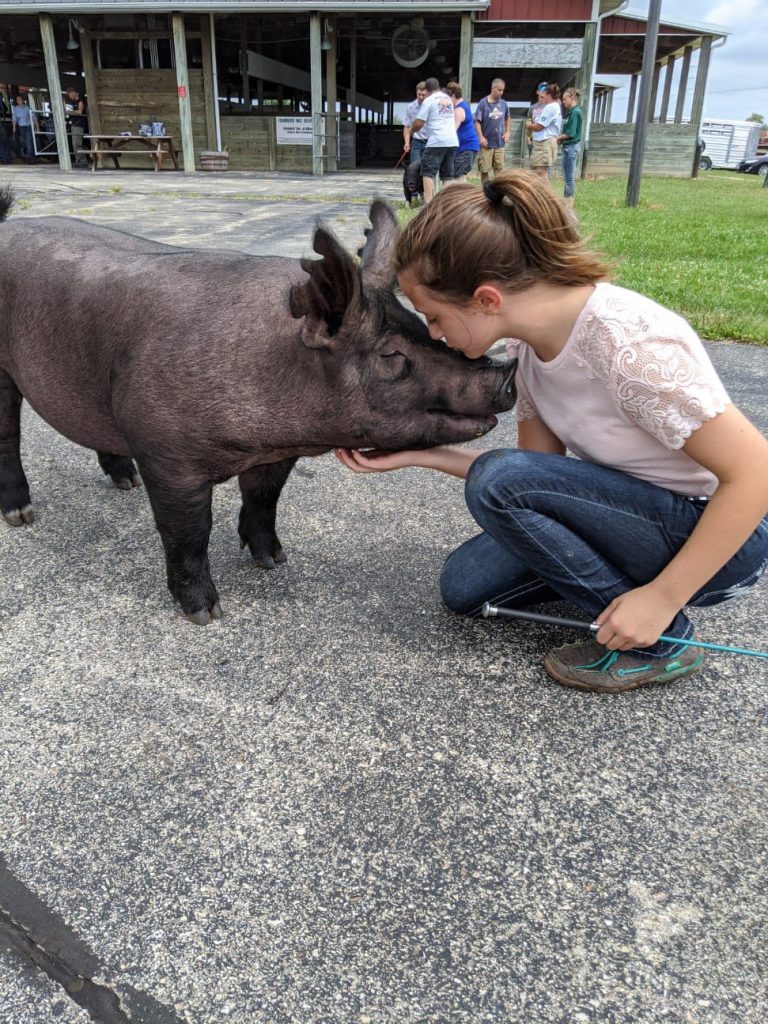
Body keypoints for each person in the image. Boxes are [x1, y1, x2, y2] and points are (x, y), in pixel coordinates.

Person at [334, 171, 768, 694]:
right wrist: (416, 455)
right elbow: (533, 483)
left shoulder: (628, 346)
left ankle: (663, 641)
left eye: (433, 316)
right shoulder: (530, 351)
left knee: (499, 483)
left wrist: (662, 600)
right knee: (465, 588)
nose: (434, 333)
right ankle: (620, 586)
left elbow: (756, 473)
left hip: (717, 535)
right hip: (631, 521)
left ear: (486, 299)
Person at [410, 78, 458, 204]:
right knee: (447, 175)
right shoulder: (448, 99)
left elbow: (419, 123)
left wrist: (411, 130)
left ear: (427, 90)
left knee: (427, 172)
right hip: (452, 140)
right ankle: (446, 204)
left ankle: (429, 205)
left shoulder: (429, 100)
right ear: (438, 87)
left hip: (437, 140)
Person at [474, 79, 510, 185]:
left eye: (502, 90)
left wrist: (508, 132)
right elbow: (477, 122)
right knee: (484, 170)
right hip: (486, 143)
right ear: (492, 88)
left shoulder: (503, 104)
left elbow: (508, 117)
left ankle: (498, 191)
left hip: (500, 142)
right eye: (499, 90)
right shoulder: (483, 103)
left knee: (499, 169)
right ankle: (485, 192)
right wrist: (481, 137)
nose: (501, 92)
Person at [444, 81, 479, 183]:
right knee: (458, 175)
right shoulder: (463, 106)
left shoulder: (459, 110)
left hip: (466, 148)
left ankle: (466, 198)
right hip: (465, 148)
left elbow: (452, 131)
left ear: (453, 95)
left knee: (460, 177)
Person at [527, 83, 562, 182]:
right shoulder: (555, 106)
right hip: (544, 142)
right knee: (538, 172)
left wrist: (529, 126)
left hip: (544, 143)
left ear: (549, 95)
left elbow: (538, 126)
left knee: (541, 173)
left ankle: (547, 197)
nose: (543, 98)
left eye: (544, 95)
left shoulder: (550, 107)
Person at [557, 86, 582, 207]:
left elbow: (571, 133)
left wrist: (558, 138)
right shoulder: (570, 113)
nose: (563, 101)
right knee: (566, 175)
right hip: (567, 146)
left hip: (571, 147)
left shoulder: (575, 112)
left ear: (572, 98)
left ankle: (569, 200)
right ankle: (566, 197)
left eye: (565, 99)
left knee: (569, 176)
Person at [403, 81, 428, 168]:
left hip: (431, 141)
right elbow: (407, 126)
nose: (421, 97)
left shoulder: (433, 106)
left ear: (428, 93)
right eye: (419, 94)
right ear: (416, 92)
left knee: (428, 169)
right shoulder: (410, 107)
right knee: (414, 168)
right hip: (417, 141)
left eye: (423, 95)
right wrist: (407, 142)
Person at [65, 86, 89, 168]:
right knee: (75, 143)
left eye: (71, 95)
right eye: (69, 95)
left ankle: (82, 160)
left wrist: (69, 112)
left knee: (77, 143)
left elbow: (79, 112)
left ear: (75, 93)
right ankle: (79, 160)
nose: (70, 97)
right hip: (74, 124)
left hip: (79, 124)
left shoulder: (80, 101)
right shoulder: (71, 103)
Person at [525, 82, 548, 164]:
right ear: (537, 91)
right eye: (541, 89)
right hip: (533, 140)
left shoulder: (549, 107)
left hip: (544, 140)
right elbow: (528, 124)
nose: (543, 92)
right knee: (533, 164)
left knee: (544, 165)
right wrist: (528, 140)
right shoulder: (532, 108)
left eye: (545, 90)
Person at [11, 94, 37, 163]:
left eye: (19, 99)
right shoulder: (15, 109)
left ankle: (30, 159)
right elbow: (14, 119)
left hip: (29, 126)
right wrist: (14, 127)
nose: (18, 101)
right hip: (21, 127)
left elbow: (34, 117)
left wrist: (36, 127)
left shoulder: (28, 108)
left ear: (23, 100)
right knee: (26, 142)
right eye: (17, 100)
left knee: (29, 142)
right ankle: (33, 157)